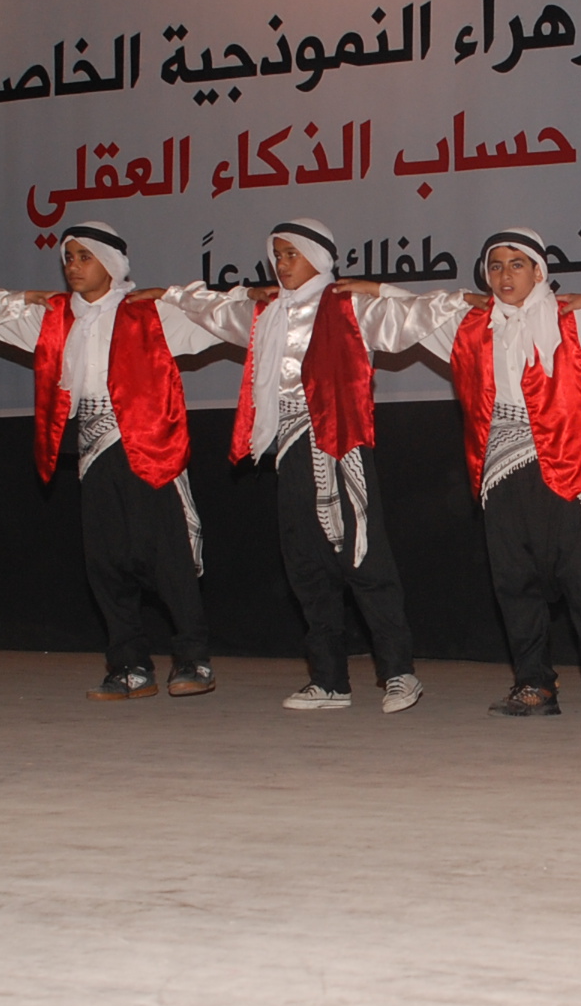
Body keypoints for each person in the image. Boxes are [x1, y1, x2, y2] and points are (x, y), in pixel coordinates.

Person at [345, 228, 581, 718]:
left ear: (539, 272)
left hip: (567, 467)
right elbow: (417, 312)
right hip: (500, 469)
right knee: (514, 581)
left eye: (517, 264)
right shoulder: (470, 327)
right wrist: (378, 289)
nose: (504, 275)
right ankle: (534, 683)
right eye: (495, 266)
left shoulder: (570, 320)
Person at [162, 218, 426, 713]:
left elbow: (419, 315)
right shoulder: (267, 312)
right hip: (289, 448)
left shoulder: (350, 304)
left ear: (318, 258)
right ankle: (329, 681)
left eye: (292, 254)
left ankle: (398, 673)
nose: (282, 264)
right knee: (306, 567)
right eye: (277, 255)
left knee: (365, 562)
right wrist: (179, 295)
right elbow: (211, 310)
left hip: (340, 446)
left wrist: (379, 288)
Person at [0, 224, 223, 700]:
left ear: (111, 263)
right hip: (94, 447)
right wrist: (13, 299)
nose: (74, 267)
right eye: (69, 257)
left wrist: (178, 296)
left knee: (168, 556)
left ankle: (192, 657)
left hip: (150, 446)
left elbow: (226, 318)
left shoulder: (151, 312)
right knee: (106, 560)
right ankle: (129, 665)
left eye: (85, 257)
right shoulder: (55, 317)